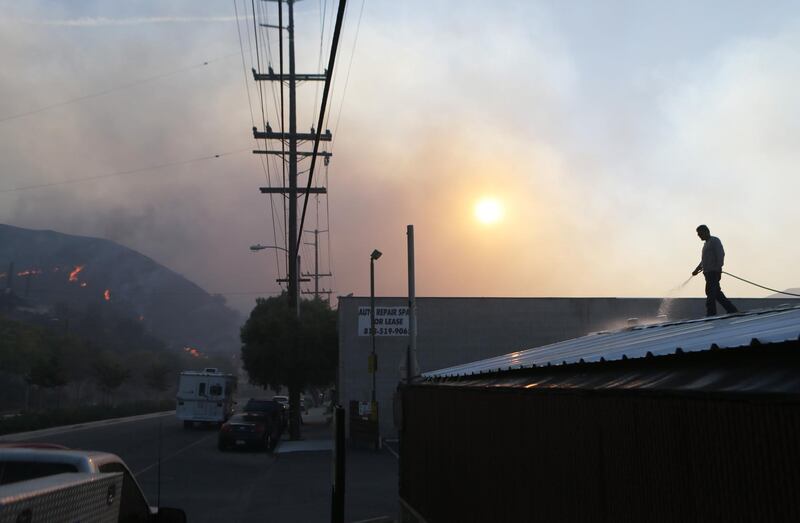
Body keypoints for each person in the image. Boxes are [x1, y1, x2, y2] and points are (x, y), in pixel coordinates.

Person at [692, 225, 738, 316]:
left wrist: (718, 268)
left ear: (706, 232)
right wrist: (697, 269)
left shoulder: (715, 241)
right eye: (698, 234)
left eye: (700, 233)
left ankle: (711, 313)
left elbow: (720, 254)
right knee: (716, 293)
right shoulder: (706, 244)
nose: (699, 236)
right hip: (708, 273)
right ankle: (731, 309)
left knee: (710, 291)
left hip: (713, 272)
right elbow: (704, 260)